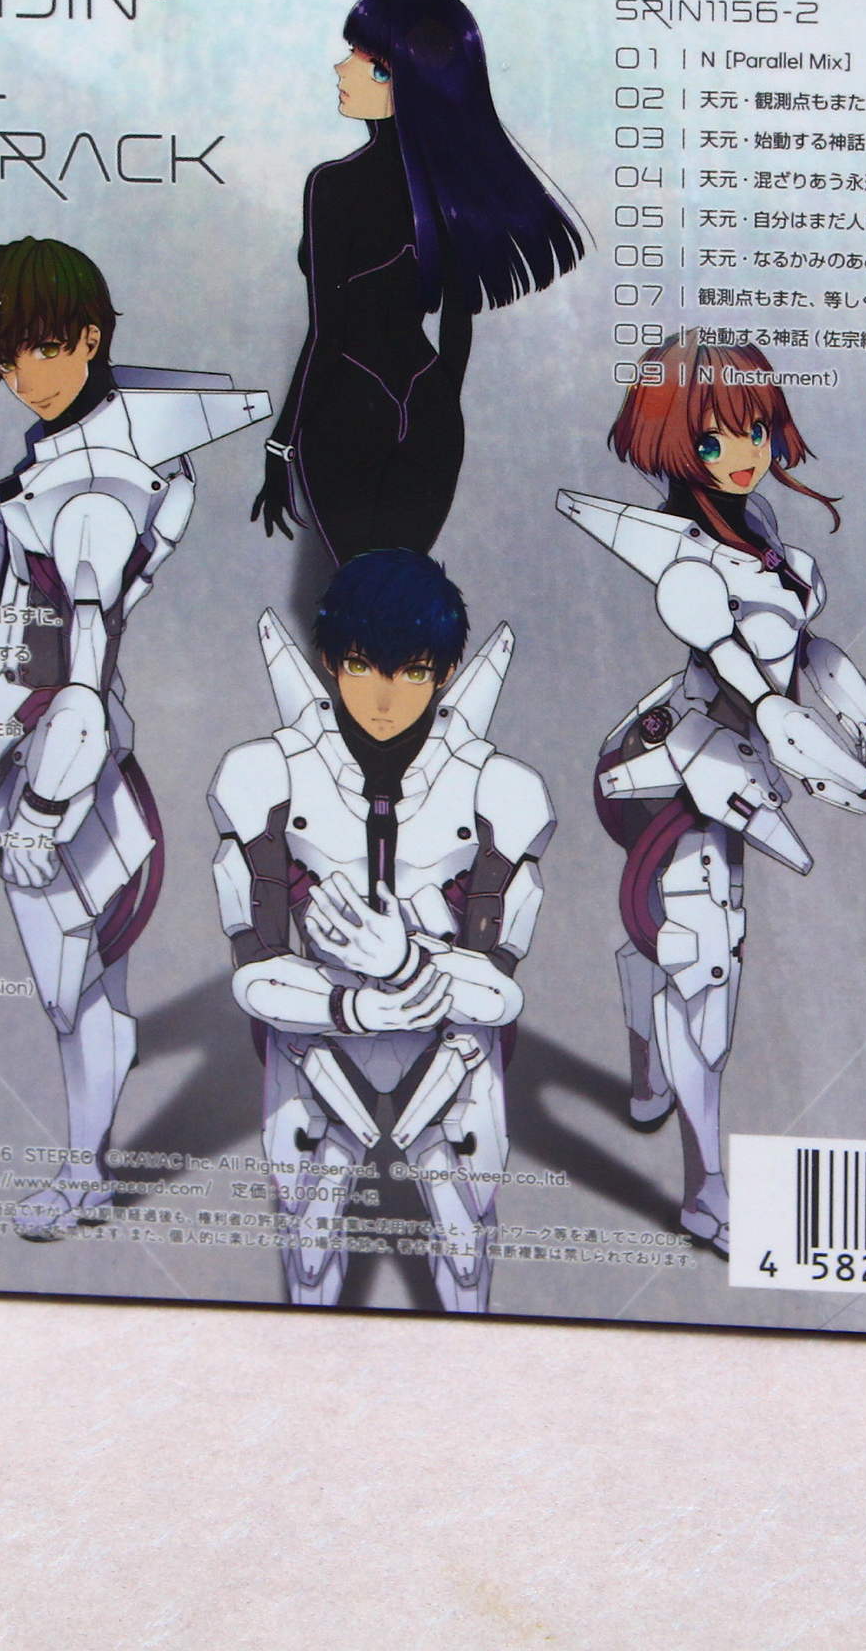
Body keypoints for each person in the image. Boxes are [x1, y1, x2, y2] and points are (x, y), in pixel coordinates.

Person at [0, 235, 270, 1239]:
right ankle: (88, 1153)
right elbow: (14, 599)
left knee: (74, 993)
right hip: (36, 755)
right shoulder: (59, 466)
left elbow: (82, 659)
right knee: (73, 991)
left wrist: (39, 807)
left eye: (40, 348)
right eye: (5, 358)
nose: (22, 376)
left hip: (67, 768)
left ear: (87, 339)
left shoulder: (96, 491)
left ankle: (84, 1173)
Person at [558, 339, 866, 1255]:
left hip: (741, 746)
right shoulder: (691, 569)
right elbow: (764, 700)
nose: (743, 453)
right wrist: (848, 775)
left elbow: (806, 654)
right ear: (676, 446)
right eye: (715, 440)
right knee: (708, 968)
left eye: (753, 430)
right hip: (681, 766)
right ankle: (705, 1190)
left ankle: (647, 1056)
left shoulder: (759, 527)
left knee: (686, 954)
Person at [207, 550, 554, 1312]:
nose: (385, 700)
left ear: (448, 673)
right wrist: (355, 1006)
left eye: (414, 672)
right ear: (329, 663)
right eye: (363, 666)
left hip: (454, 1050)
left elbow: (499, 994)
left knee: (466, 1253)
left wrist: (402, 965)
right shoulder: (265, 776)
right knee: (307, 1254)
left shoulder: (500, 790)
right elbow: (255, 971)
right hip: (314, 1043)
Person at [253, 0, 583, 561]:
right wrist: (439, 407)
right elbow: (457, 321)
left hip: (351, 398)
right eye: (351, 53)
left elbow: (328, 334)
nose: (342, 69)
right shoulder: (446, 189)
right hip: (429, 396)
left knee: (360, 588)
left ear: (412, 85)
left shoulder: (334, 185)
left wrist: (281, 445)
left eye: (371, 64)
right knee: (403, 585)